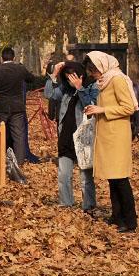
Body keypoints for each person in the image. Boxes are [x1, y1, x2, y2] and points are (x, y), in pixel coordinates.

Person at [83, 51, 139, 233]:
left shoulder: (117, 79)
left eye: (94, 70)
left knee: (120, 179)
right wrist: (95, 110)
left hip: (117, 136)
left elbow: (129, 107)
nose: (93, 75)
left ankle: (129, 220)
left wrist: (102, 109)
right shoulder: (104, 81)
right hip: (107, 135)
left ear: (101, 66)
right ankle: (117, 215)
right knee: (112, 179)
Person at [44, 60, 98, 210]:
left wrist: (80, 88)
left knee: (85, 176)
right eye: (67, 76)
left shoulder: (91, 86)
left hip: (83, 138)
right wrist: (53, 76)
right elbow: (49, 95)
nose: (70, 79)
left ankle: (89, 205)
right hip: (66, 137)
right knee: (63, 174)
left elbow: (91, 105)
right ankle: (66, 202)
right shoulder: (65, 89)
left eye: (72, 75)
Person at [0, 47, 41, 165]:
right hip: (17, 108)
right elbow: (32, 79)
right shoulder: (20, 69)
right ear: (14, 58)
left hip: (0, 108)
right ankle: (18, 164)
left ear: (1, 58)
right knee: (18, 136)